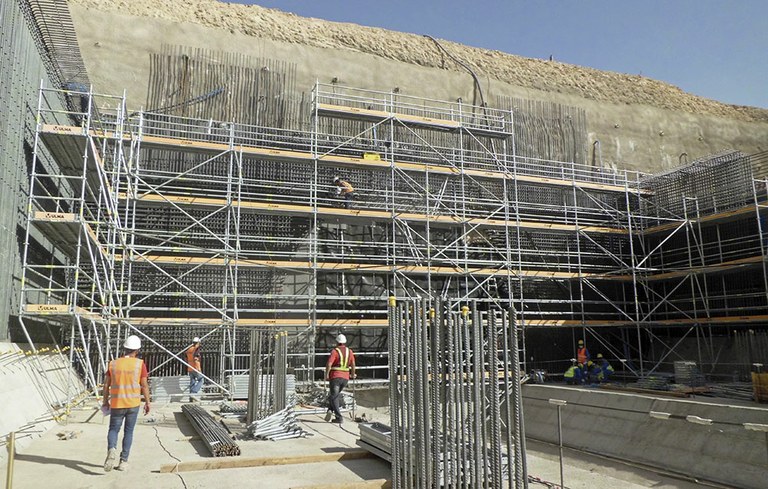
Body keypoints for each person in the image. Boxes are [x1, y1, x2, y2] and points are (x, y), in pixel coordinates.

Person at [102, 335, 150, 472]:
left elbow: (106, 385)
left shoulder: (113, 363)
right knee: (128, 431)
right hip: (133, 404)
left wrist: (105, 401)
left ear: (125, 348)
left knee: (113, 429)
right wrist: (147, 402)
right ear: (137, 350)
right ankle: (123, 461)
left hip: (117, 403)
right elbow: (144, 386)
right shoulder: (140, 364)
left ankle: (112, 449)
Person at [324, 333, 356, 424]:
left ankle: (339, 417)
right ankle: (330, 410)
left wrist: (326, 374)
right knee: (335, 395)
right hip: (345, 378)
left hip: (335, 377)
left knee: (334, 396)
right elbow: (353, 364)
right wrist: (353, 374)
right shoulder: (349, 351)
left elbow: (329, 364)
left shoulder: (335, 351)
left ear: (337, 342)